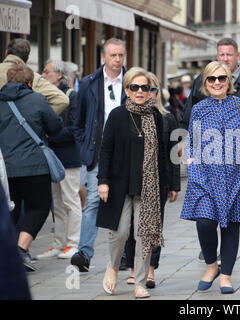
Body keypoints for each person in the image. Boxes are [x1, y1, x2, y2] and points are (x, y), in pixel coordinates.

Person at [180, 61, 240, 294]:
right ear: (205, 83)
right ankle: (211, 266)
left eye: (222, 78)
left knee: (231, 226)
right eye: (212, 79)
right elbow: (193, 138)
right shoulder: (199, 108)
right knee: (205, 222)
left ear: (229, 81)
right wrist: (190, 158)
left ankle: (226, 275)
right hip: (206, 173)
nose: (217, 82)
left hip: (237, 173)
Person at [96, 67, 174, 298]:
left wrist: (167, 184)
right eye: (135, 87)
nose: (140, 91)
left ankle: (140, 282)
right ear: (127, 90)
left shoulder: (157, 117)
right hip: (120, 184)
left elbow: (161, 153)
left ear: (152, 91)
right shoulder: (118, 115)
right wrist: (103, 181)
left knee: (145, 234)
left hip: (148, 187)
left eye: (145, 88)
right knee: (120, 232)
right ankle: (113, 265)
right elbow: (105, 150)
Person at [71, 38, 127, 273]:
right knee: (94, 199)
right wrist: (85, 147)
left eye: (121, 55)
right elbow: (78, 120)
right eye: (113, 55)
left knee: (126, 201)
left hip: (126, 151)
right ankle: (84, 253)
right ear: (103, 57)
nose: (117, 59)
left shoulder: (134, 81)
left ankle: (125, 255)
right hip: (98, 151)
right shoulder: (89, 83)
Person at [0, 64, 63, 271]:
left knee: (11, 209)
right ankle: (20, 249)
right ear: (29, 83)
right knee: (39, 207)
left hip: (5, 168)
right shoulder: (37, 99)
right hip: (35, 167)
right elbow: (55, 127)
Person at [123, 72, 181, 289]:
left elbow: (173, 155)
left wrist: (175, 185)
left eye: (153, 89)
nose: (148, 93)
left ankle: (149, 270)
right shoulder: (129, 116)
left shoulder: (168, 118)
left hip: (160, 180)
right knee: (131, 227)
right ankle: (132, 269)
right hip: (133, 180)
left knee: (154, 226)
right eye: (145, 88)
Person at [36, 60, 82, 260]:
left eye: (47, 72)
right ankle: (59, 243)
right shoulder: (44, 97)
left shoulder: (72, 96)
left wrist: (50, 135)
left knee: (71, 200)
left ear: (59, 75)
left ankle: (73, 243)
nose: (43, 75)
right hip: (52, 155)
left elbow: (75, 129)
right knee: (57, 203)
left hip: (68, 156)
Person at [0, 38, 69, 114]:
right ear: (27, 59)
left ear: (6, 53)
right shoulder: (32, 77)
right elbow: (62, 100)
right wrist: (35, 118)